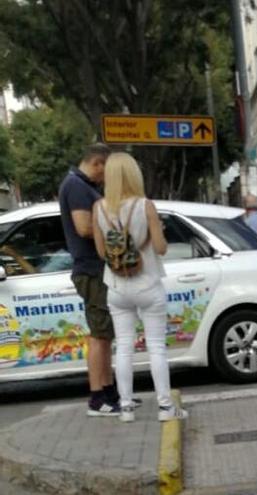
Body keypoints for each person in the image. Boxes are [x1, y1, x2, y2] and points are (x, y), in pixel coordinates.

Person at [92, 152, 188, 422]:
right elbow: (161, 248)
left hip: (117, 286)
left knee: (124, 347)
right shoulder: (145, 206)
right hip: (147, 284)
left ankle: (125, 407)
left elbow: (101, 252)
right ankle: (166, 407)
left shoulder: (98, 208)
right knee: (156, 347)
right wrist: (154, 233)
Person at [58, 143, 121, 416]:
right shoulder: (76, 186)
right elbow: (83, 227)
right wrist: (114, 229)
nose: (106, 179)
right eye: (106, 172)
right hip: (91, 269)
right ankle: (97, 397)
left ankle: (110, 391)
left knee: (105, 333)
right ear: (97, 163)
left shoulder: (84, 186)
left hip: (96, 268)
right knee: (99, 334)